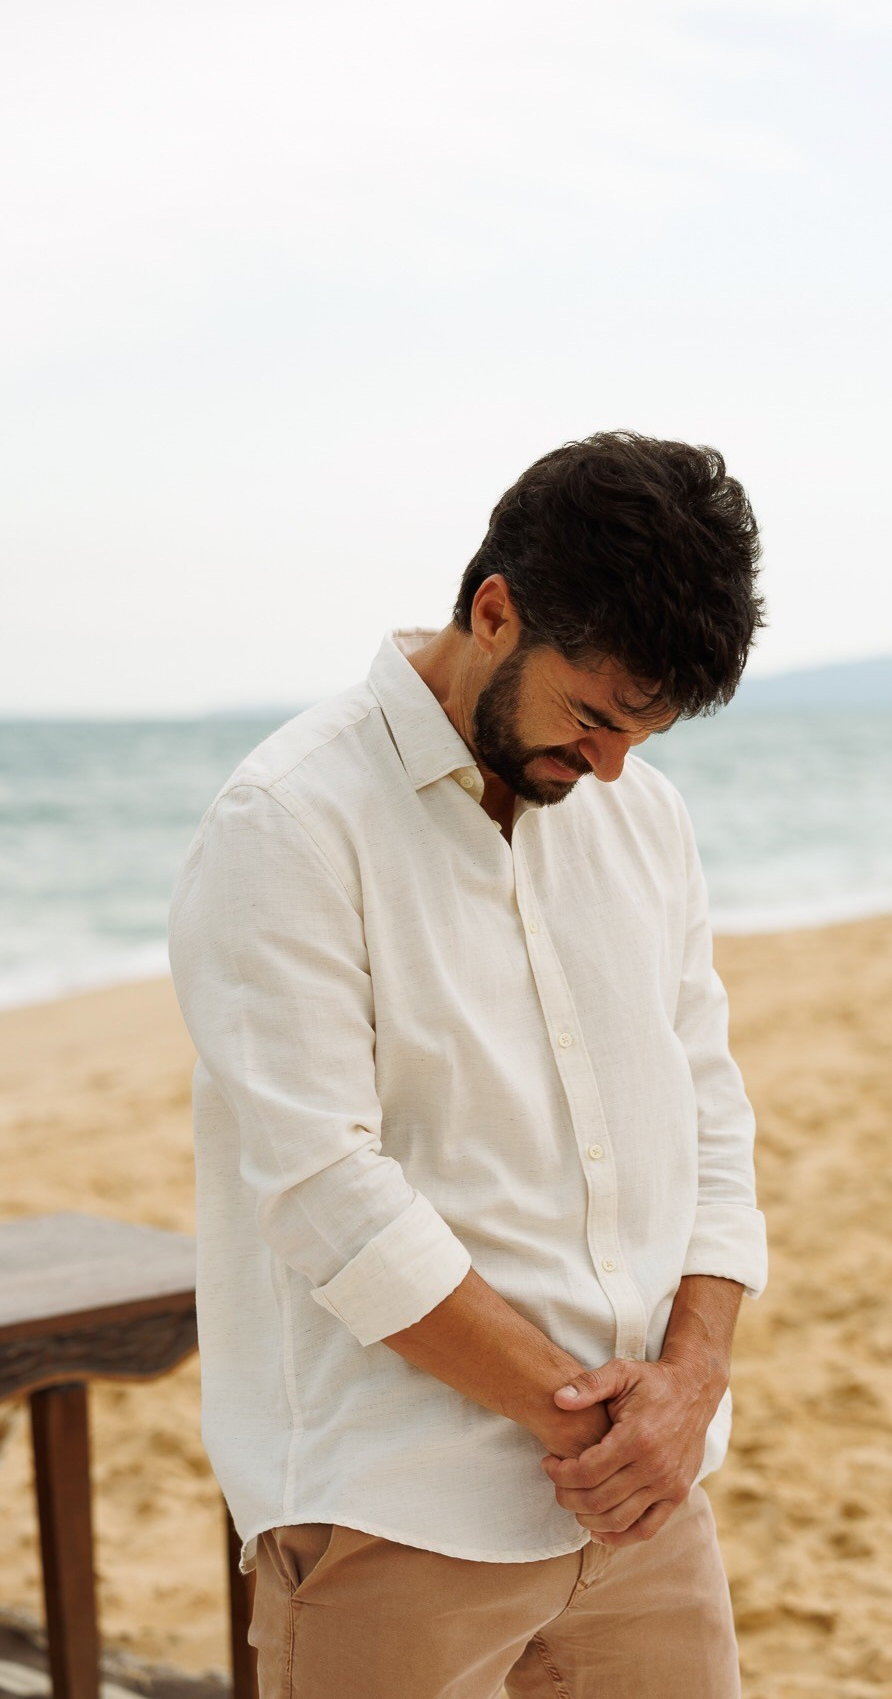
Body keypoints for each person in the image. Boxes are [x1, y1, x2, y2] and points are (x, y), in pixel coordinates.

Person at [168, 431, 768, 1698]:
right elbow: (325, 1191)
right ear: (493, 611)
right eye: (593, 716)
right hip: (398, 1517)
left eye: (643, 734)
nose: (609, 765)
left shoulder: (638, 814)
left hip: (646, 1512)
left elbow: (709, 1110)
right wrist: (594, 1421)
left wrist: (690, 1385)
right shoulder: (287, 822)